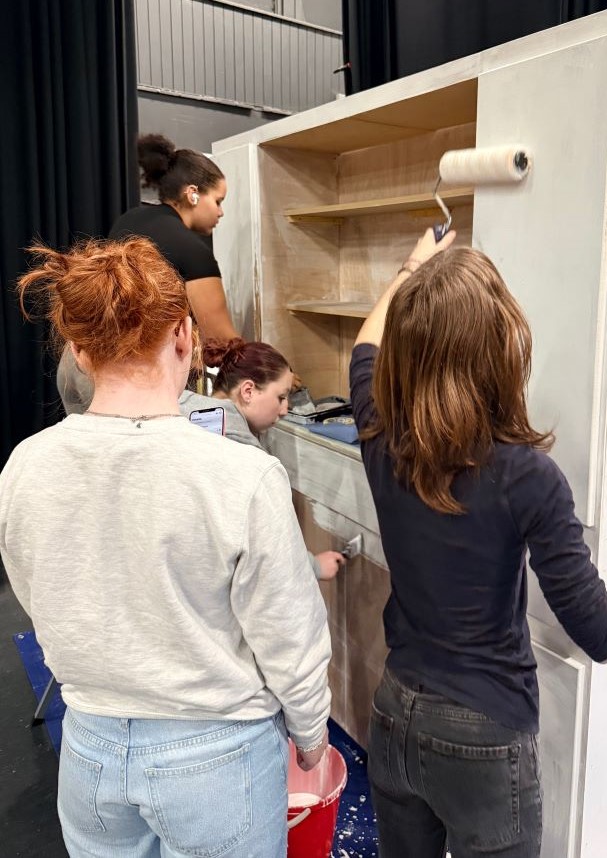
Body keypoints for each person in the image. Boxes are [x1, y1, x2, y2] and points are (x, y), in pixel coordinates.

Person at [348, 228, 607, 858]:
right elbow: (604, 634)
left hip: (395, 715)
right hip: (483, 737)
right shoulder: (525, 476)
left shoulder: (381, 433)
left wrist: (413, 271)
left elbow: (367, 343)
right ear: (500, 349)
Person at [0, 237, 331, 858]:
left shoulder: (25, 466)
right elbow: (290, 631)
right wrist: (310, 733)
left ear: (77, 348)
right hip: (217, 753)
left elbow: (37, 593)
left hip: (91, 748)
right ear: (186, 335)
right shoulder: (242, 475)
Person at [57, 133, 238, 413]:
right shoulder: (192, 249)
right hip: (130, 376)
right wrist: (270, 370)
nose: (221, 212)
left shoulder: (130, 218)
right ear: (193, 194)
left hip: (79, 365)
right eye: (218, 200)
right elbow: (222, 341)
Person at [180, 337, 347, 581]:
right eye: (281, 397)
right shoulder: (244, 457)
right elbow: (269, 548)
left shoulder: (183, 413)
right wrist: (314, 567)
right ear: (248, 391)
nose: (284, 409)